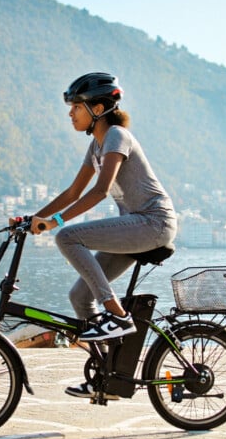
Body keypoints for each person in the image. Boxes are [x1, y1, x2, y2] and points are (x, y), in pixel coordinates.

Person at [26, 72, 178, 398]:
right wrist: (34, 218)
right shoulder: (97, 144)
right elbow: (73, 191)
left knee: (67, 237)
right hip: (135, 225)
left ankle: (119, 316)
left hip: (153, 223)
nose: (70, 114)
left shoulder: (117, 136)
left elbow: (99, 191)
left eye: (76, 107)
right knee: (79, 297)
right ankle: (109, 377)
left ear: (97, 108)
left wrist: (54, 223)